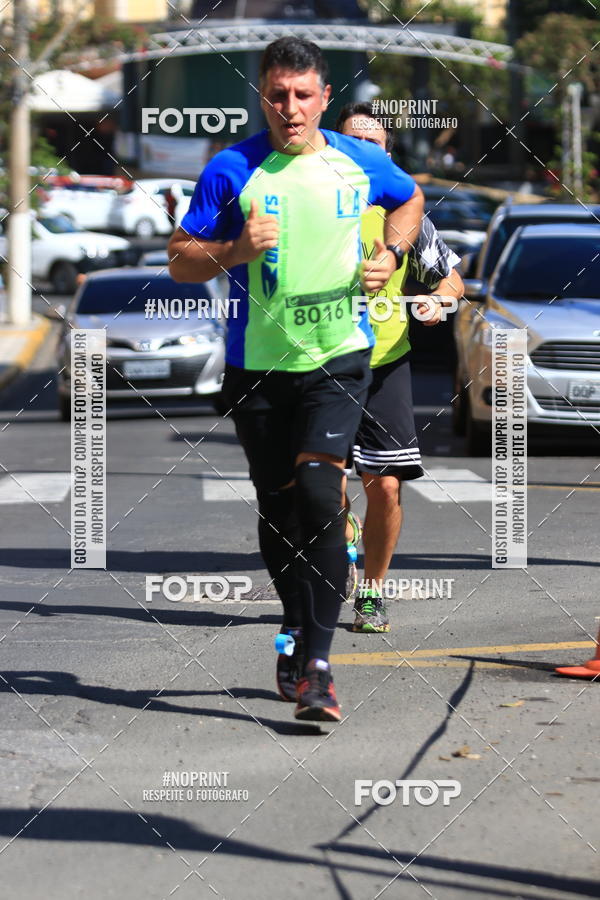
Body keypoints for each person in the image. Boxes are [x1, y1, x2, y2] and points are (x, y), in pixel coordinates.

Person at [168, 38, 424, 721]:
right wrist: (234, 249)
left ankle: (316, 663)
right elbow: (180, 261)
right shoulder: (232, 169)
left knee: (319, 491)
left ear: (323, 97)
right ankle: (293, 627)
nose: (291, 109)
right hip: (258, 367)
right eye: (278, 95)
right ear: (262, 95)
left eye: (303, 95)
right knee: (279, 511)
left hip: (339, 356)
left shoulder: (359, 159)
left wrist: (391, 251)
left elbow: (411, 197)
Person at [336, 102, 464, 633]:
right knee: (316, 484)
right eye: (353, 141)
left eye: (375, 143)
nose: (366, 151)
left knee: (385, 487)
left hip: (386, 362)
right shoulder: (312, 206)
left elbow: (452, 282)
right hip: (316, 361)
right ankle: (337, 522)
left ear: (388, 153)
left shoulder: (407, 217)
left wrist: (440, 302)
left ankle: (372, 591)